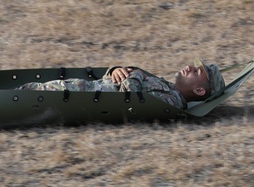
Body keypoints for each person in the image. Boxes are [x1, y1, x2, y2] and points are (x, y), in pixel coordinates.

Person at [16, 58, 225, 110]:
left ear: (199, 90)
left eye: (196, 72)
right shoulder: (168, 86)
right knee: (28, 90)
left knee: (28, 94)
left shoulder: (172, 102)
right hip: (88, 87)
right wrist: (116, 70)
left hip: (85, 95)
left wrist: (136, 76)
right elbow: (128, 78)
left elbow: (132, 101)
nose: (189, 67)